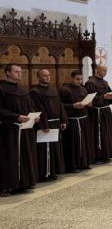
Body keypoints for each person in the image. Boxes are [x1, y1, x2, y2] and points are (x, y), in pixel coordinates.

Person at [0, 64, 40, 196]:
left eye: (20, 72)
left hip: (24, 128)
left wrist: (34, 115)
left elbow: (31, 105)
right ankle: (6, 186)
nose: (20, 74)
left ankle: (23, 183)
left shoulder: (23, 89)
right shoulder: (1, 88)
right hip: (8, 130)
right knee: (9, 157)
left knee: (24, 155)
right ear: (7, 73)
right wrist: (16, 117)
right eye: (16, 71)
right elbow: (1, 109)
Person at [30, 69, 67, 181]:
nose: (47, 77)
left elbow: (60, 106)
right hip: (45, 125)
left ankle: (53, 172)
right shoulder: (35, 91)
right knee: (44, 149)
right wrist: (44, 125)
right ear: (38, 77)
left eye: (49, 75)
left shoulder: (53, 89)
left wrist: (63, 120)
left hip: (56, 123)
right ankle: (44, 174)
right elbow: (38, 108)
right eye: (44, 75)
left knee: (55, 148)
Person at [60, 70, 94, 172]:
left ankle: (84, 163)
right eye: (77, 79)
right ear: (72, 78)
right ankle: (72, 166)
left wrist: (89, 104)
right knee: (73, 144)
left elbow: (88, 103)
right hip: (72, 121)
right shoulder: (64, 90)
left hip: (83, 120)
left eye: (81, 79)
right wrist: (73, 106)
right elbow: (60, 106)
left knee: (84, 142)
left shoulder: (83, 89)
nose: (79, 81)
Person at [85, 65, 112, 163]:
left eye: (106, 71)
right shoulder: (90, 83)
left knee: (107, 133)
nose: (105, 72)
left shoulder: (105, 83)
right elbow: (90, 99)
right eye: (103, 70)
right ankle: (97, 156)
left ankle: (106, 155)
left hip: (106, 112)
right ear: (97, 70)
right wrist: (103, 97)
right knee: (98, 134)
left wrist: (110, 96)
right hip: (96, 113)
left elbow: (109, 95)